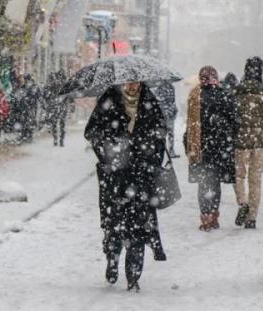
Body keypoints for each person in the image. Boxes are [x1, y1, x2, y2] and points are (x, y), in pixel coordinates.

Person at [85, 82, 167, 291]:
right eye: (128, 81)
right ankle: (112, 260)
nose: (132, 85)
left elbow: (160, 135)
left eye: (136, 81)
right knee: (114, 224)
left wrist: (148, 155)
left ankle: (133, 276)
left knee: (139, 226)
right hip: (115, 177)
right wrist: (109, 151)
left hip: (141, 176)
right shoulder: (109, 100)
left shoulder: (150, 102)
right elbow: (92, 132)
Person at [185, 66, 236, 231]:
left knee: (204, 183)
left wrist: (188, 141)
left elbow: (190, 124)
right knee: (214, 183)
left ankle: (206, 216)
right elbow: (235, 122)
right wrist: (226, 134)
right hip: (219, 147)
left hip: (201, 147)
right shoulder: (224, 95)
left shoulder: (195, 96)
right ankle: (213, 215)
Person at [233, 57, 263, 229]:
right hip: (260, 142)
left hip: (241, 141)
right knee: (256, 180)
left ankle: (243, 202)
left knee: (239, 176)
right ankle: (252, 217)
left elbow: (233, 117)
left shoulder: (238, 92)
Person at [45, 70, 71, 147]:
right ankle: (60, 140)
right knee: (61, 124)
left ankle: (56, 138)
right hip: (61, 106)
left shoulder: (54, 85)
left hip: (56, 106)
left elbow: (47, 95)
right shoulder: (65, 85)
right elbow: (69, 96)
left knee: (55, 123)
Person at [154, 81, 179, 157]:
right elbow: (173, 101)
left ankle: (162, 153)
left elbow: (158, 102)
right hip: (170, 113)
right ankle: (171, 152)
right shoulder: (171, 87)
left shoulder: (158, 89)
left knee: (162, 135)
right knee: (171, 134)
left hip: (163, 114)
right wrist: (174, 110)